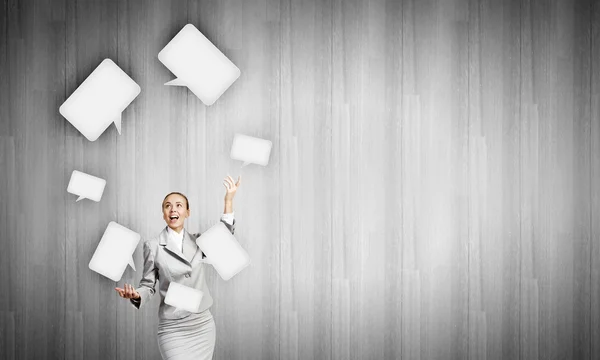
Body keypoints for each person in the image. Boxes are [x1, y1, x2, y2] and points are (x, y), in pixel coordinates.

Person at [115, 175, 242, 360]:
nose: (173, 209)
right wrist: (136, 295)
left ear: (187, 212)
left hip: (202, 324)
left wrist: (228, 201)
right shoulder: (153, 246)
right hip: (173, 327)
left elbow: (224, 237)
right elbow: (148, 285)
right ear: (164, 214)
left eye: (179, 205)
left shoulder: (199, 241)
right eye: (168, 206)